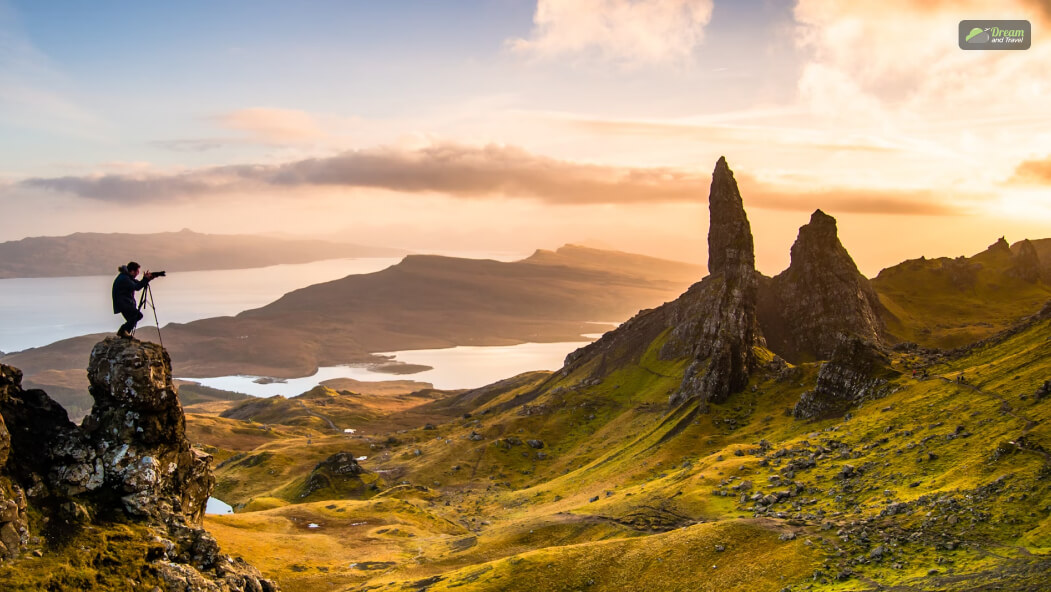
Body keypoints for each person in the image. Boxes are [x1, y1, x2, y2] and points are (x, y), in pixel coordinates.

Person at [112, 262, 156, 338]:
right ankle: (122, 331)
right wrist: (145, 279)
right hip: (124, 303)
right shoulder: (124, 278)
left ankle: (125, 335)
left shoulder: (126, 276)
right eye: (137, 271)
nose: (138, 273)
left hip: (123, 303)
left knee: (132, 319)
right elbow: (137, 287)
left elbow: (138, 283)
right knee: (138, 315)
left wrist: (146, 279)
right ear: (132, 271)